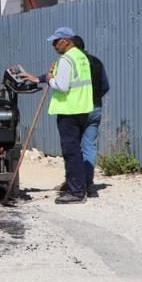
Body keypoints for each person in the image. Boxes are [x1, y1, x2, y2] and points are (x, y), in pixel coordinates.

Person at [18, 27, 94, 204]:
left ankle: (76, 192)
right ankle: (76, 186)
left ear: (66, 41)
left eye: (56, 42)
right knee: (77, 151)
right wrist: (39, 78)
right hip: (82, 108)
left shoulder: (66, 59)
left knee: (71, 152)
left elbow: (62, 85)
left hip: (69, 111)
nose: (53, 45)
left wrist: (51, 78)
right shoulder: (81, 56)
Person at [72, 35, 110, 197]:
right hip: (95, 108)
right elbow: (105, 86)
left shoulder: (72, 62)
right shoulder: (96, 61)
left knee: (73, 147)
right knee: (89, 146)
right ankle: (88, 182)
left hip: (77, 109)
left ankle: (76, 183)